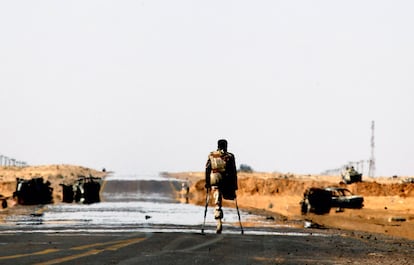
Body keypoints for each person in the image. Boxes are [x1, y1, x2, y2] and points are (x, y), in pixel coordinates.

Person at [205, 139, 238, 233]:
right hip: (226, 180)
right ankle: (219, 218)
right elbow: (233, 172)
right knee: (226, 196)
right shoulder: (230, 156)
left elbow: (207, 169)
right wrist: (234, 186)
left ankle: (218, 218)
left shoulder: (211, 155)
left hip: (214, 179)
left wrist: (207, 183)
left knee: (217, 200)